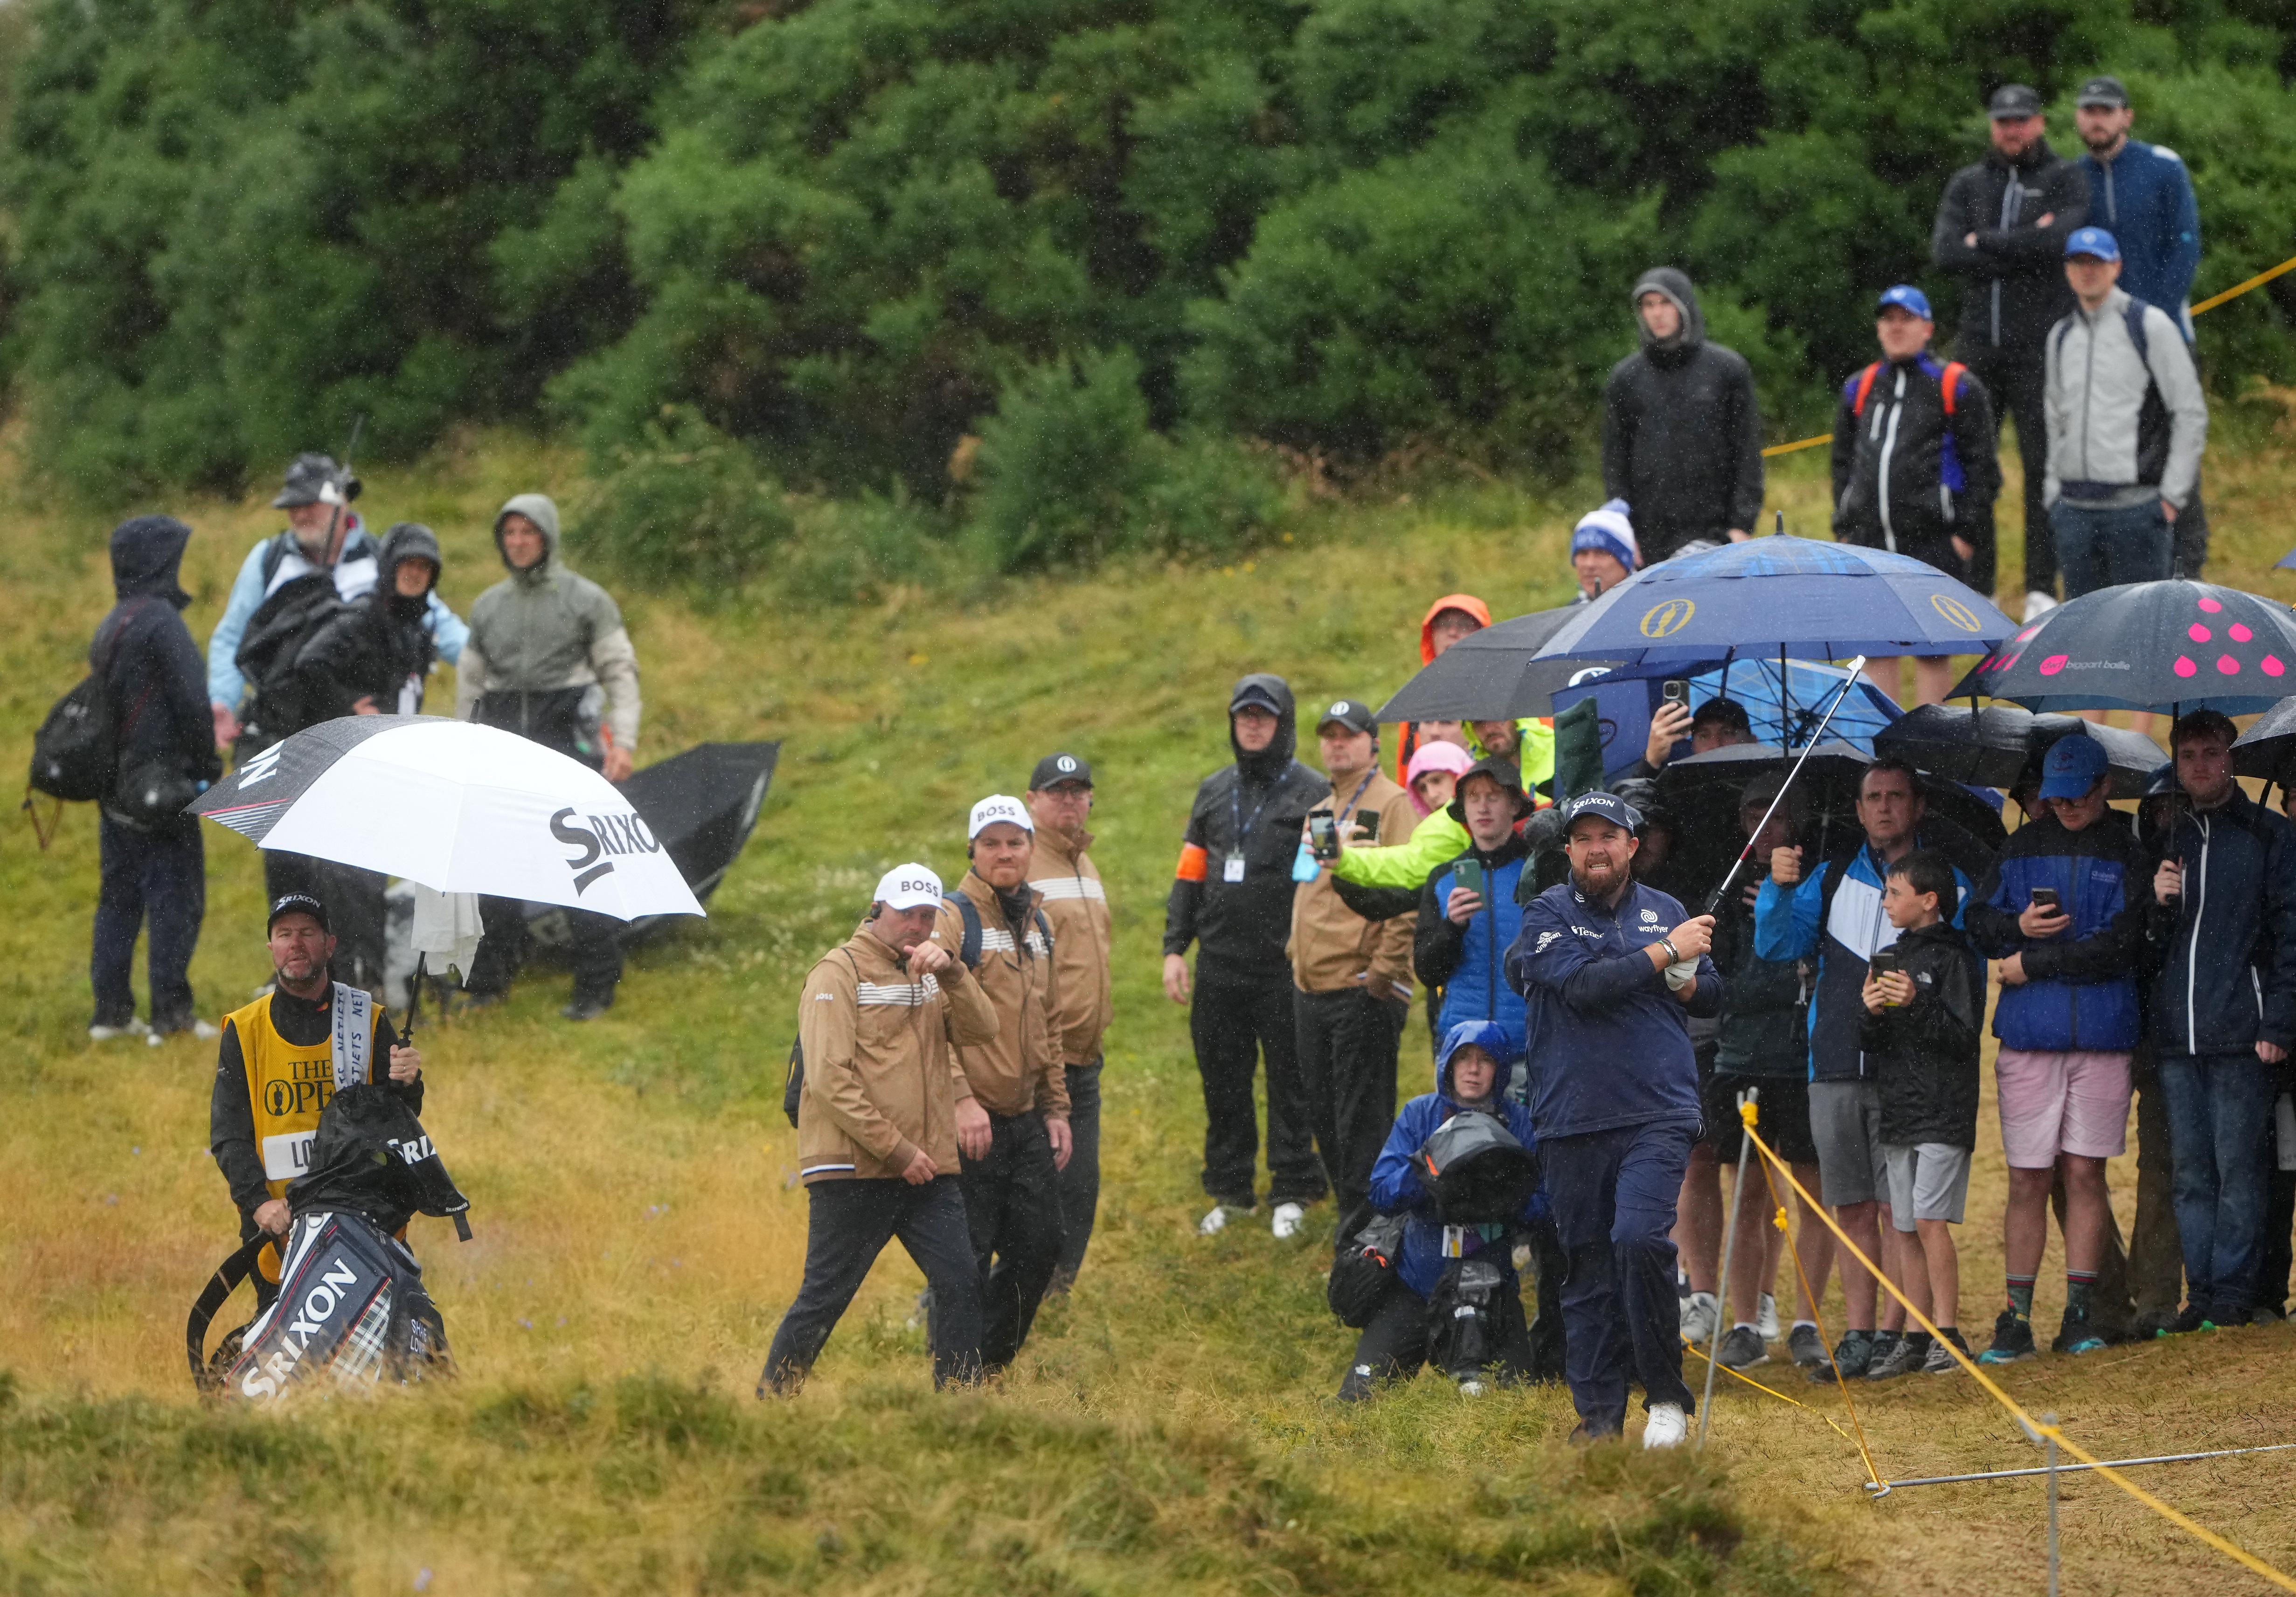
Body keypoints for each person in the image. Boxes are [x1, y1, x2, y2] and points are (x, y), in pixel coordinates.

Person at [1754, 759, 1990, 1382]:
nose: (1883, 807)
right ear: (1857, 811)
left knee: (1901, 1212)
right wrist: (1777, 889)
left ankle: (1902, 1330)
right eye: (1872, 798)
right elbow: (1777, 947)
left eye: (1895, 797)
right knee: (1851, 1207)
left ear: (1915, 807)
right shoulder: (1828, 877)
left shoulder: (1945, 882)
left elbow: (1963, 979)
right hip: (1832, 1061)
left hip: (1906, 1074)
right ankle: (1859, 1332)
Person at [1506, 790, 1721, 1447]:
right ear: (1567, 849)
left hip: (1657, 1107)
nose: (1596, 848)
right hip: (1571, 1116)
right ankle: (1598, 1416)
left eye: (1609, 836)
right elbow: (1581, 986)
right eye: (1583, 838)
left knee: (1638, 1240)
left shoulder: (1667, 911)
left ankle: (1664, 1396)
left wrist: (1686, 976)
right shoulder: (1543, 913)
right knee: (1587, 1267)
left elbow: (1709, 993)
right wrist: (1663, 957)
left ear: (1632, 846)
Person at [761, 865, 996, 1394]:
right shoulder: (836, 972)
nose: (917, 925)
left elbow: (986, 1030)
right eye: (906, 913)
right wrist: (896, 1149)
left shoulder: (931, 974)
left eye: (926, 916)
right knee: (826, 1296)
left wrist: (956, 974)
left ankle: (961, 1406)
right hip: (853, 1167)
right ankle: (773, 1398)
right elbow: (826, 1079)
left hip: (926, 1169)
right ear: (877, 910)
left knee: (961, 1280)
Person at [1965, 734, 2150, 1361]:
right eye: (2055, 797)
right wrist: (2014, 930)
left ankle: (2079, 1313)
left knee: (2083, 1173)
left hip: (2101, 1037)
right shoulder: (2018, 847)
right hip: (2029, 1039)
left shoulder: (2128, 853)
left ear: (2103, 789)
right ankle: (2014, 1316)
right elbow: (1977, 925)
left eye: (2076, 797)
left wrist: (2031, 960)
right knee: (2026, 1177)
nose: (2065, 808)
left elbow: (2118, 948)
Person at [455, 494, 644, 1021]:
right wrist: (462, 750)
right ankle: (490, 981)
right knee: (494, 872)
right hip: (500, 746)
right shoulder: (489, 606)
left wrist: (623, 743)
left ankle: (596, 988)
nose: (517, 542)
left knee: (579, 871)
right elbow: (469, 684)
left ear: (548, 537)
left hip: (569, 744)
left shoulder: (587, 600)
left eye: (528, 532)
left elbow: (621, 675)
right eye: (509, 533)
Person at [1164, 676, 1330, 1236]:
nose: (1253, 725)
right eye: (1243, 716)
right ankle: (1231, 1190)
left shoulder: (1318, 792)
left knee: (1291, 1080)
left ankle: (1295, 1186)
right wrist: (1173, 947)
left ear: (1283, 722)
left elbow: (1333, 877)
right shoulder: (1212, 790)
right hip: (1218, 966)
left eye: (1263, 716)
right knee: (1223, 1081)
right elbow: (1189, 874)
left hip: (1285, 966)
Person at [2147, 712, 2296, 1331]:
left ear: (2229, 757)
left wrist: (2277, 1024)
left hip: (2243, 1032)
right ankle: (2200, 1294)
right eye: (2188, 755)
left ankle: (2234, 1293)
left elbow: (2289, 935)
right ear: (2175, 763)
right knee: (2189, 1173)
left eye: (2210, 753)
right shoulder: (2166, 837)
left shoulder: (2268, 835)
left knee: (2239, 1169)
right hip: (2177, 1038)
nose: (2200, 766)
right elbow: (2151, 947)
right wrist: (2156, 904)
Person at [208, 894, 423, 1311]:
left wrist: (408, 1083)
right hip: (279, 1228)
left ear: (331, 944)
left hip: (366, 1219)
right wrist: (258, 1204)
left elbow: (399, 1120)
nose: (296, 943)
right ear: (271, 947)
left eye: (308, 932)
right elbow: (229, 1135)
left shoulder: (367, 1017)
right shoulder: (244, 1029)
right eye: (284, 934)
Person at [1932, 83, 2092, 616]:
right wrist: (2024, 241)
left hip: (2039, 347)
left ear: (2040, 122)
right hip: (1977, 345)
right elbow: (1947, 254)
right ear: (1993, 126)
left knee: (2042, 465)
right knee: (1974, 468)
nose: (2012, 130)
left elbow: (2061, 242)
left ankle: (2041, 585)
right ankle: (1978, 585)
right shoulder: (1968, 183)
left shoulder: (2064, 177)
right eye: (2004, 121)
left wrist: (1990, 241)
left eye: (2022, 120)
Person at [934, 795, 1070, 1373]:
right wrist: (962, 1099)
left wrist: (1057, 1107)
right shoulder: (952, 917)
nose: (1005, 852)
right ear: (973, 850)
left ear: (1031, 848)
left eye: (1015, 841)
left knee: (1040, 1247)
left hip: (1027, 1119)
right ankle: (955, 1377)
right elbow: (927, 1017)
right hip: (972, 1122)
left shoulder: (1039, 922)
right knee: (965, 1258)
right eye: (991, 842)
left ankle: (988, 1364)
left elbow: (1050, 1019)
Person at [1339, 1022, 1545, 1401]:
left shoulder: (1519, 1122)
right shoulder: (1420, 1113)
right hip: (1415, 1287)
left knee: (1518, 1408)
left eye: (1485, 1060)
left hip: (1490, 1290)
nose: (1473, 1068)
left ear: (1500, 1070)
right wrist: (1432, 1167)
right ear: (1448, 1065)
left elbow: (1543, 1209)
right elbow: (1382, 1194)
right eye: (1463, 1058)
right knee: (1355, 1403)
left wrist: (1497, 1191)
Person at [1703, 780, 1833, 1375]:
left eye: (1777, 812)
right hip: (1741, 1055)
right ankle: (1744, 1324)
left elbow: (1817, 959)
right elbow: (1714, 971)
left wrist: (1785, 904)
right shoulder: (1725, 889)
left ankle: (1807, 1321)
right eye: (1754, 810)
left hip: (1802, 1054)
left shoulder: (1820, 878)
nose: (1766, 824)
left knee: (1812, 1191)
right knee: (1747, 1193)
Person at [207, 452, 466, 749]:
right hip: (280, 730)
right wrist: (222, 702)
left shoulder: (379, 559)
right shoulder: (269, 560)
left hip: (358, 737)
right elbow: (232, 636)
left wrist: (490, 668)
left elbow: (433, 620)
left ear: (341, 502)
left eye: (310, 504)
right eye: (293, 506)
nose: (300, 515)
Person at [1831, 285, 2003, 706]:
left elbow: (1984, 470)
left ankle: (1933, 754)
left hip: (1933, 539)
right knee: (1876, 645)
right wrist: (1844, 527)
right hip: (1870, 541)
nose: (1895, 327)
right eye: (1888, 319)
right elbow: (1841, 463)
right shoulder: (1859, 387)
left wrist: (1964, 537)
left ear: (1927, 328)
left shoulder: (1956, 386)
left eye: (1905, 319)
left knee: (1931, 649)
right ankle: (1884, 754)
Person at [85, 516, 219, 1044]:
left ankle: (110, 1014)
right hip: (162, 785)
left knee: (118, 896)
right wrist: (208, 766)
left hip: (115, 786)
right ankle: (173, 1015)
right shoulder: (161, 619)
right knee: (177, 895)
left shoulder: (112, 622)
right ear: (159, 561)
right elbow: (192, 699)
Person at [1291, 699, 1419, 1248]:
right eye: (1329, 735)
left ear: (1373, 743)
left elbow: (1408, 893)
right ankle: (1355, 1220)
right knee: (1323, 1111)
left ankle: (1368, 1234)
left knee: (1361, 1120)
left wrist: (1384, 971)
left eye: (1349, 735)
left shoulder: (1393, 805)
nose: (1337, 744)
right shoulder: (1321, 809)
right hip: (1311, 986)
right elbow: (1309, 887)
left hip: (1362, 988)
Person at [2074, 74, 2209, 578]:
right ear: (2078, 118)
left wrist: (2147, 323)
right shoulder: (2071, 178)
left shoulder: (2163, 167)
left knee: (2177, 451)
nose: (2098, 119)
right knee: (2116, 457)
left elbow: (2185, 246)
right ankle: (2124, 565)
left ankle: (2187, 566)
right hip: (2100, 345)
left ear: (2126, 115)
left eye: (2107, 110)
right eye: (2089, 110)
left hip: (2166, 337)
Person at [1859, 851, 1984, 1377]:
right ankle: (1915, 1333)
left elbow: (1964, 1036)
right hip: (1900, 1109)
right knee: (1904, 1225)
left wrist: (1917, 1002)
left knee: (1930, 1220)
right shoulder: (1890, 955)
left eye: (1894, 892)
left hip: (1944, 1109)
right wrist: (1869, 1011)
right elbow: (1875, 1042)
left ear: (1928, 900)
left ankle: (1947, 1333)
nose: (1885, 901)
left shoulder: (1956, 958)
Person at [2043, 227, 2208, 598]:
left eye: (2097, 262)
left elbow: (2189, 412)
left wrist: (2170, 496)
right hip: (2073, 509)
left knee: (2144, 633)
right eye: (2078, 262)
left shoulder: (2148, 325)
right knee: (2084, 637)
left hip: (2136, 510)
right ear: (2067, 270)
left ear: (2116, 267)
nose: (2088, 271)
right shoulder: (2060, 335)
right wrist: (2053, 492)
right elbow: (2054, 416)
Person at [1601, 268, 1764, 565]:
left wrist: (1742, 524)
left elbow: (1748, 452)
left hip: (1716, 534)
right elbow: (1615, 464)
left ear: (1684, 306)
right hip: (1649, 537)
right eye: (1648, 305)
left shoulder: (1727, 371)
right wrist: (1624, 531)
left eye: (1665, 303)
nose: (1657, 313)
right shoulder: (1625, 379)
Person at [1025, 754, 1112, 1292]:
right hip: (1041, 1063)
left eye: (1078, 791)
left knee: (1080, 1186)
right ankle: (954, 1293)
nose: (1069, 800)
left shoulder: (1085, 864)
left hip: (1087, 1058)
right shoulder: (1024, 865)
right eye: (1056, 791)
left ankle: (1054, 1291)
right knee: (1024, 1191)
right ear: (1032, 800)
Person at [289, 523, 446, 720]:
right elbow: (310, 663)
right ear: (391, 567)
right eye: (408, 563)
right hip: (345, 741)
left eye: (424, 566)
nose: (415, 573)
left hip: (388, 742)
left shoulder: (420, 631)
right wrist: (351, 705)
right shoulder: (362, 617)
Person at [1393, 595, 1491, 786]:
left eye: (1464, 625)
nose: (1453, 632)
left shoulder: (1508, 688)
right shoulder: (1417, 696)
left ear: (1483, 634)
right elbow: (1406, 770)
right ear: (1432, 635)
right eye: (1444, 624)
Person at [1570, 501, 1640, 602]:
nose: (1590, 564)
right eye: (1583, 553)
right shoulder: (1567, 614)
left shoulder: (1652, 610)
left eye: (1601, 553)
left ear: (1626, 561)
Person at [1403, 740, 1472, 820]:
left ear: (1461, 776)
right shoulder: (1426, 832)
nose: (1432, 795)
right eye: (1423, 789)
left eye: (1436, 781)